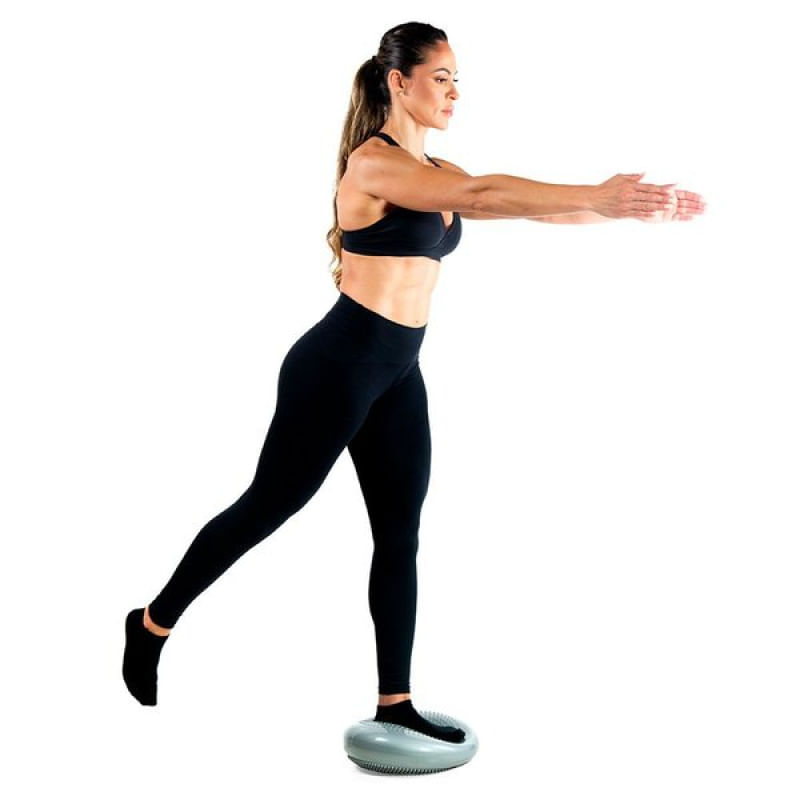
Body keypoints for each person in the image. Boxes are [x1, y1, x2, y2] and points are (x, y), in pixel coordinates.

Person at [122, 21, 705, 743]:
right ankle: (152, 623)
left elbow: (525, 207)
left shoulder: (436, 171)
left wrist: (621, 209)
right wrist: (597, 191)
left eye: (459, 81)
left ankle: (394, 702)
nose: (454, 93)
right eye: (441, 78)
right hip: (337, 366)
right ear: (399, 82)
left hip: (399, 372)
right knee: (268, 507)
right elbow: (483, 194)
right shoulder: (375, 163)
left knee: (400, 536)